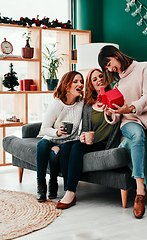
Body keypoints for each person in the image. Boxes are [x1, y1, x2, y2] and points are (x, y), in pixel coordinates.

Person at [98, 45, 147, 222]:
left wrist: (129, 107)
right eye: (106, 67)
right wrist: (110, 113)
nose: (109, 68)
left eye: (108, 63)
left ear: (115, 55)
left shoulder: (143, 67)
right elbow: (117, 114)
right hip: (129, 121)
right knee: (137, 137)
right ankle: (140, 192)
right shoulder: (118, 84)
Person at [56, 68, 122, 209]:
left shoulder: (114, 96)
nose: (99, 80)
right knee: (66, 147)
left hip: (105, 143)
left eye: (100, 76)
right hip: (91, 141)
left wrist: (109, 113)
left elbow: (117, 118)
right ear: (91, 85)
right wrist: (83, 136)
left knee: (77, 148)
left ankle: (71, 191)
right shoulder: (88, 104)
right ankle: (68, 189)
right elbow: (85, 128)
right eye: (94, 79)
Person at [36, 71, 84, 202]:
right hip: (52, 138)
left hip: (68, 142)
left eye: (81, 81)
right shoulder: (57, 104)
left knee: (55, 154)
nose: (80, 84)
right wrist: (57, 132)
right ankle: (41, 185)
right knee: (42, 145)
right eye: (75, 81)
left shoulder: (81, 104)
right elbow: (44, 129)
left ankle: (53, 182)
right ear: (66, 85)